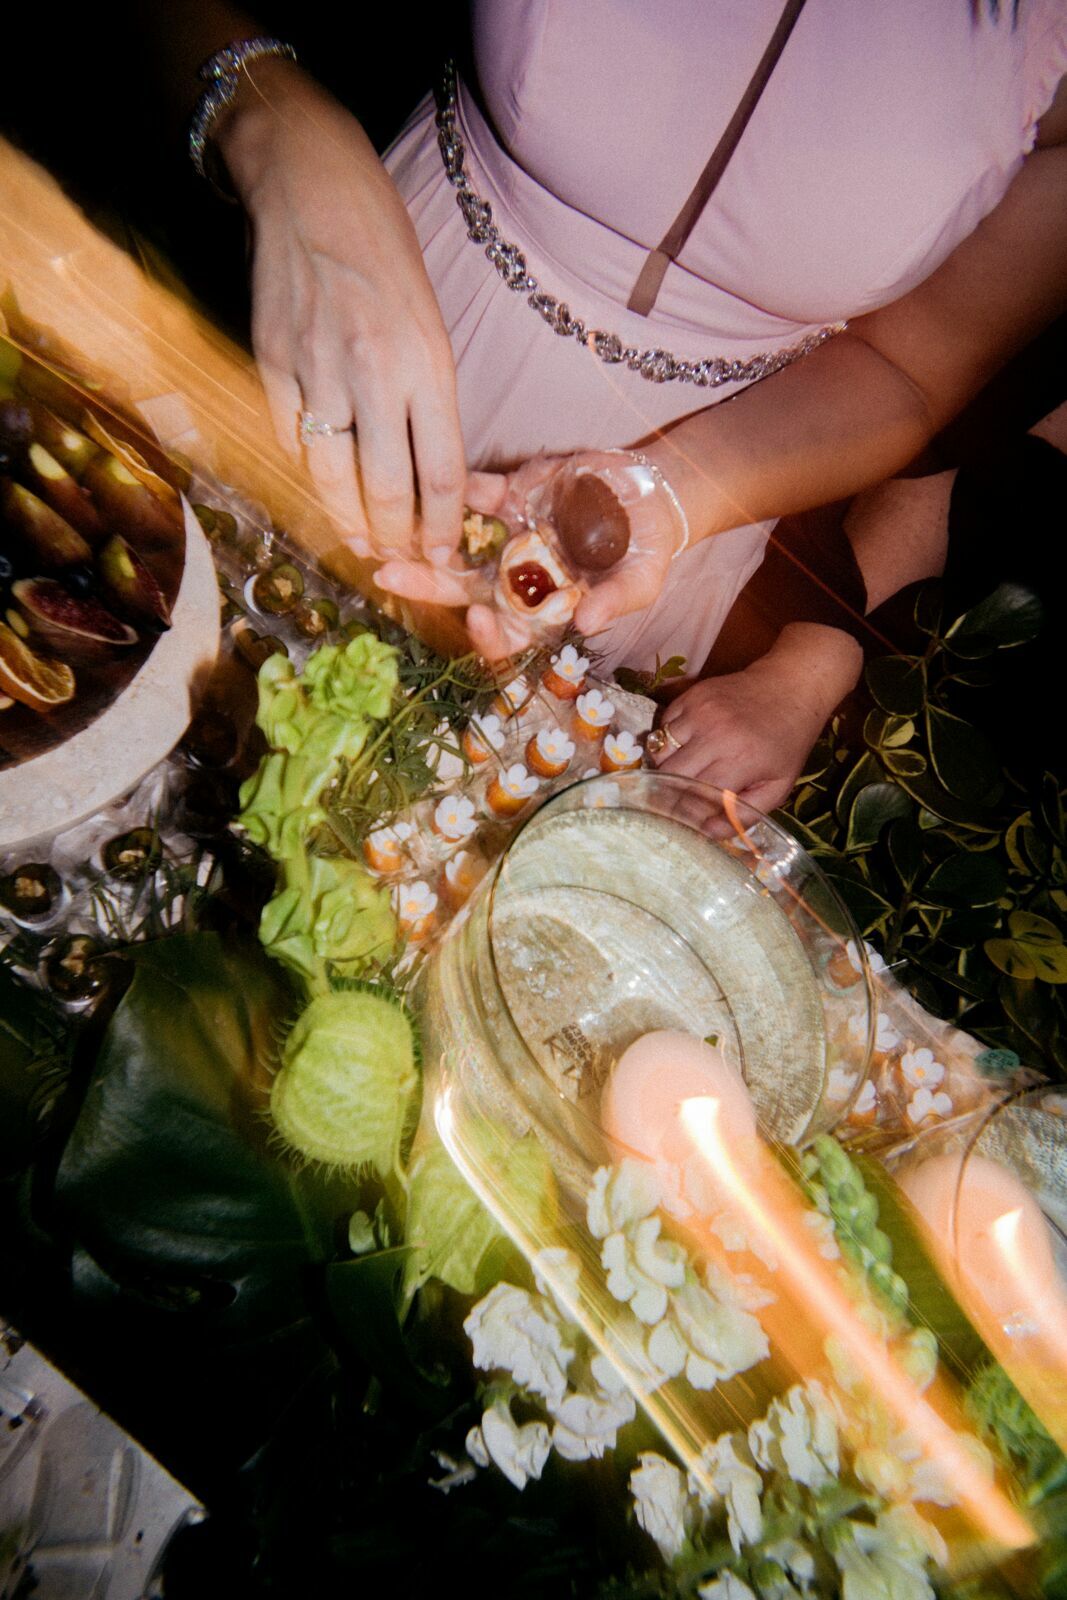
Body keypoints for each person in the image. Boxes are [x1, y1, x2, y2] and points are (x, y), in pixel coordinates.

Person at [171, 2, 1067, 808]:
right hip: (328, 334)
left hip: (667, 524)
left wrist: (668, 493)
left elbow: (907, 366)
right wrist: (274, 119)